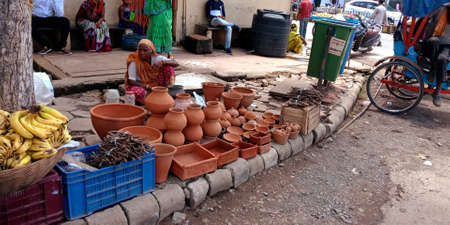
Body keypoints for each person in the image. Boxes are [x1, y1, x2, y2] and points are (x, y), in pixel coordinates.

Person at [125, 39, 179, 104]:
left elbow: (176, 63)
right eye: (140, 50)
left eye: (145, 50)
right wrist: (147, 86)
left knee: (168, 67)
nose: (142, 53)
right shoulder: (134, 61)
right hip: (142, 86)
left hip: (157, 85)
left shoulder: (157, 58)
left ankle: (166, 92)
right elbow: (131, 81)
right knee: (137, 92)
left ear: (151, 50)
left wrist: (163, 62)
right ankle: (151, 100)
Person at [422, 7, 449, 107]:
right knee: (434, 41)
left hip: (447, 46)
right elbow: (426, 23)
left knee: (442, 59)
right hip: (433, 41)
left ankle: (437, 92)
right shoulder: (440, 11)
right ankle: (433, 69)